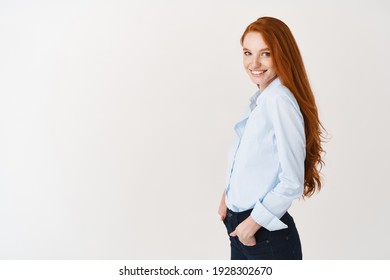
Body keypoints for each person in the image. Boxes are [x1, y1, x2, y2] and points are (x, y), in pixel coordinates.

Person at [218, 16, 325, 260]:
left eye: (265, 53)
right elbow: (252, 161)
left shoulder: (279, 101)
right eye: (247, 53)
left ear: (282, 55)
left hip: (263, 234)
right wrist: (227, 196)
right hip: (242, 227)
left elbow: (291, 181)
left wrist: (251, 224)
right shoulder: (261, 99)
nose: (253, 62)